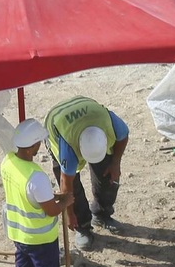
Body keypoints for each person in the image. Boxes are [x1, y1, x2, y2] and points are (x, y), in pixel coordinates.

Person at [0, 119, 73, 267]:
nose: (40, 145)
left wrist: (51, 197)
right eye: (39, 142)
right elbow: (51, 210)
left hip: (18, 233)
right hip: (40, 238)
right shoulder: (36, 176)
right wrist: (65, 202)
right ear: (32, 146)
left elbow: (25, 195)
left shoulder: (8, 161)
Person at [44, 95, 129, 250]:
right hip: (57, 123)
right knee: (73, 187)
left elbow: (123, 137)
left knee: (109, 177)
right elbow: (66, 184)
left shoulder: (109, 123)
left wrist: (115, 163)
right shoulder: (68, 148)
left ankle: (102, 214)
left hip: (88, 111)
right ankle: (82, 226)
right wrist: (69, 214)